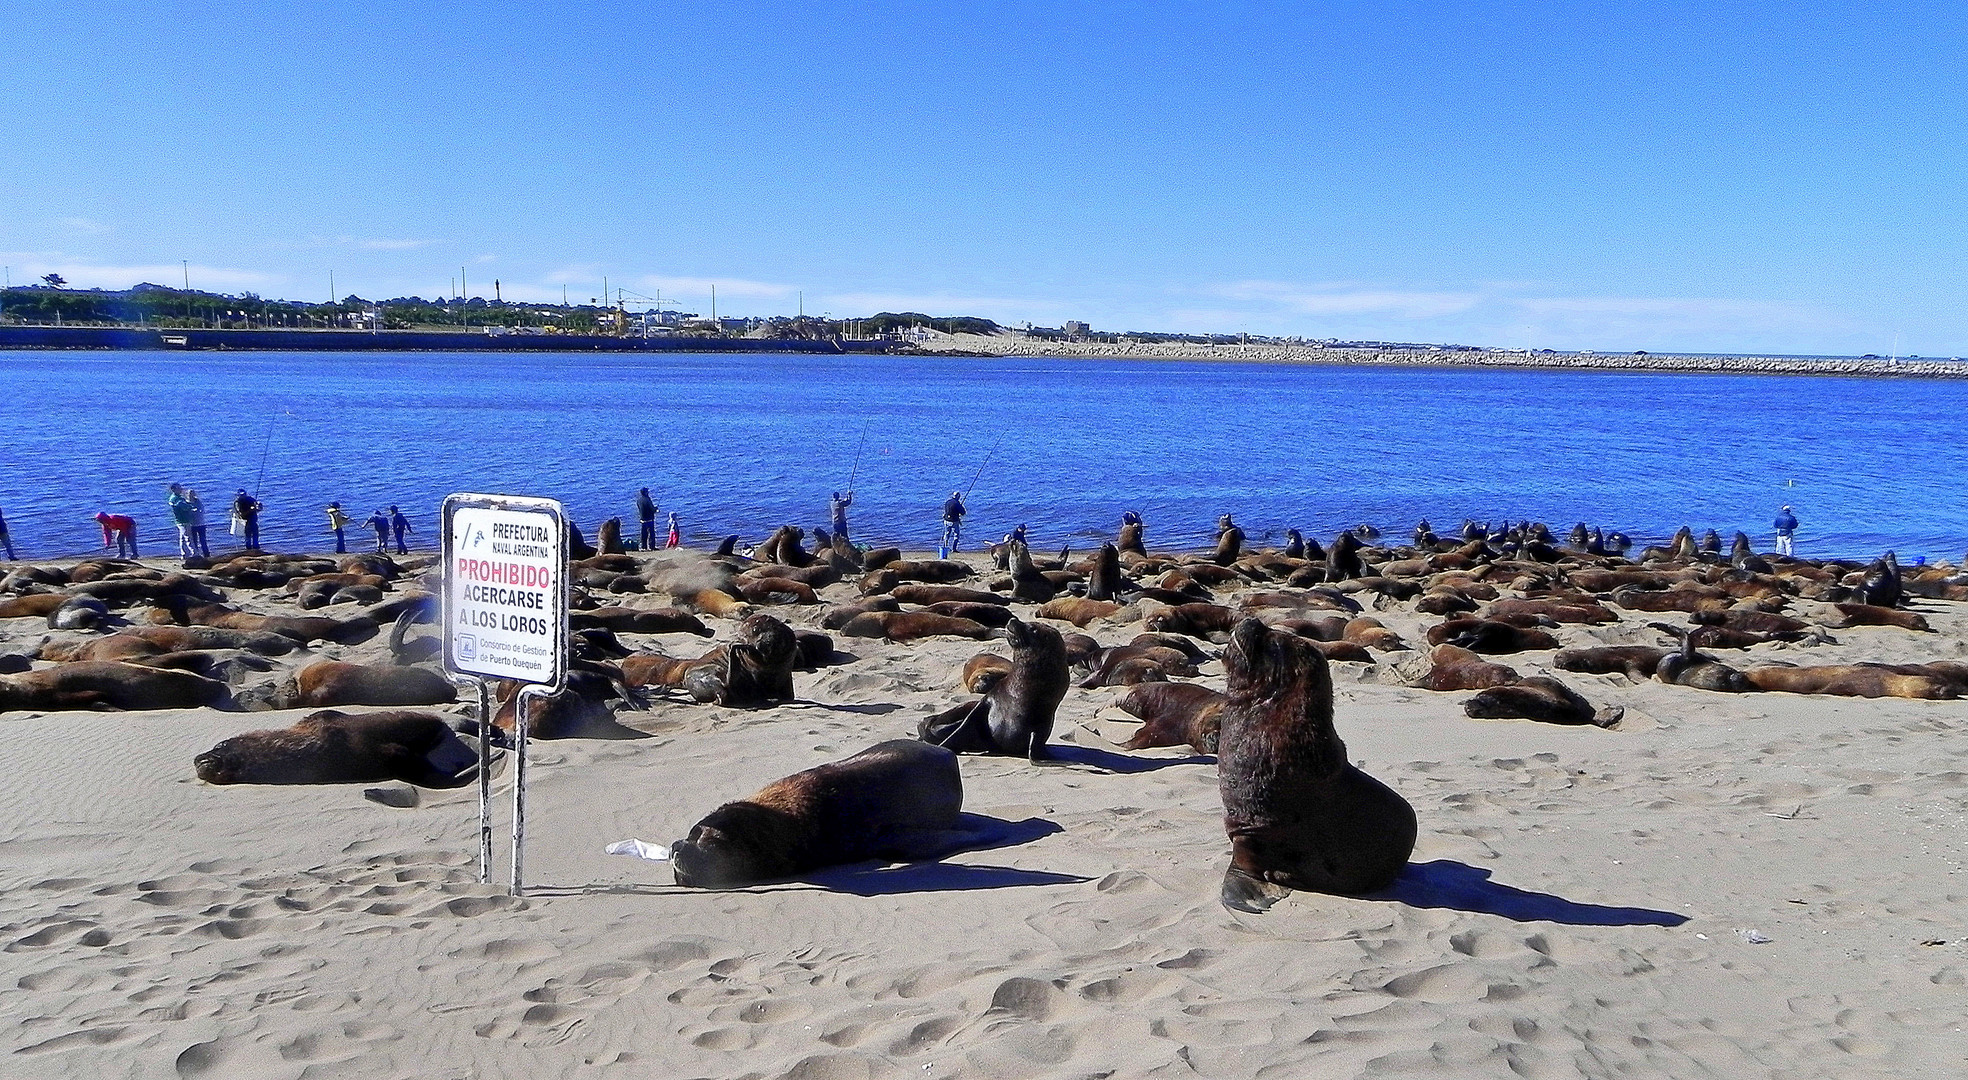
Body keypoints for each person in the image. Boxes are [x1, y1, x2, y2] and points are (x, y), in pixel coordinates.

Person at [167, 483, 197, 561]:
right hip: (183, 520)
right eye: (179, 488)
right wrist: (191, 507)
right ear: (173, 489)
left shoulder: (178, 498)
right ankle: (194, 554)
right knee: (188, 537)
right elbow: (184, 506)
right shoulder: (175, 499)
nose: (181, 489)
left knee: (183, 538)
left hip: (181, 520)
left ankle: (184, 554)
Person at [185, 487, 211, 558]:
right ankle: (196, 555)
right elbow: (186, 512)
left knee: (203, 540)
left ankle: (206, 555)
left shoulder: (198, 501)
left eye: (192, 493)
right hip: (192, 525)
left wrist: (194, 511)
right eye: (190, 494)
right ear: (187, 494)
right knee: (194, 541)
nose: (191, 495)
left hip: (201, 524)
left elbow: (201, 510)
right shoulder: (186, 503)